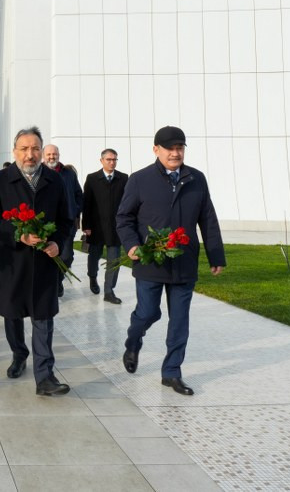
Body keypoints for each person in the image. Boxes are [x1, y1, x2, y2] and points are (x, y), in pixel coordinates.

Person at [117, 126, 225, 396]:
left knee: (179, 321)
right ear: (156, 150)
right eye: (170, 148)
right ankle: (133, 342)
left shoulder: (196, 179)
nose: (176, 153)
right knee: (147, 313)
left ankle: (172, 372)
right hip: (150, 261)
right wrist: (132, 245)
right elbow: (124, 217)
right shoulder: (139, 179)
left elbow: (208, 219)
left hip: (183, 262)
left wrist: (216, 255)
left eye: (180, 148)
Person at [0, 126, 72, 396]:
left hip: (44, 263)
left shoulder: (55, 181)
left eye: (35, 149)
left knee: (43, 317)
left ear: (42, 151)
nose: (29, 154)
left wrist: (57, 242)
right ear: (14, 151)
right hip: (12, 262)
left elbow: (67, 219)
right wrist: (17, 235)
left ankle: (45, 376)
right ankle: (19, 353)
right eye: (24, 149)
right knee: (13, 313)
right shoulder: (0, 181)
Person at [81, 148, 127, 302]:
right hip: (96, 227)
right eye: (109, 159)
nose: (112, 162)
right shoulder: (92, 178)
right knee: (94, 256)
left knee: (114, 260)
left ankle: (109, 291)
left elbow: (127, 202)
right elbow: (86, 203)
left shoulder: (123, 178)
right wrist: (86, 225)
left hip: (115, 227)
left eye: (114, 159)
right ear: (101, 161)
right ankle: (92, 277)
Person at [43, 144, 83, 297]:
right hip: (45, 225)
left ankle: (57, 280)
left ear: (58, 155)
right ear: (43, 156)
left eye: (54, 154)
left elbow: (78, 194)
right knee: (47, 256)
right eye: (49, 154)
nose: (51, 157)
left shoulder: (69, 174)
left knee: (66, 256)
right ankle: (50, 284)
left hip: (66, 223)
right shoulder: (38, 172)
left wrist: (74, 210)